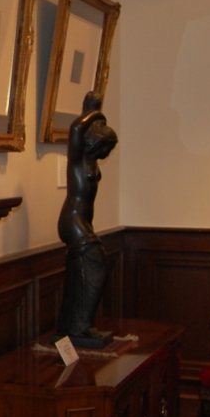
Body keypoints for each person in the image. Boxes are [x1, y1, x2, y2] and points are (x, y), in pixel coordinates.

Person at [56, 91, 118, 346]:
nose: (107, 153)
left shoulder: (92, 162)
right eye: (106, 147)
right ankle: (80, 327)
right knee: (97, 265)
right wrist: (93, 112)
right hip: (72, 221)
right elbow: (75, 128)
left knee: (81, 272)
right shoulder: (78, 160)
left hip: (83, 222)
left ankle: (75, 326)